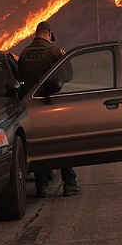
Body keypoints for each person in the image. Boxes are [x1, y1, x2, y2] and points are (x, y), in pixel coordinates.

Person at [17, 20, 81, 197]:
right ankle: (69, 184)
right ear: (49, 34)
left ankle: (41, 186)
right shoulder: (54, 51)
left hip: (30, 109)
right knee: (62, 144)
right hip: (52, 107)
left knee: (38, 147)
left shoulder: (23, 54)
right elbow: (68, 76)